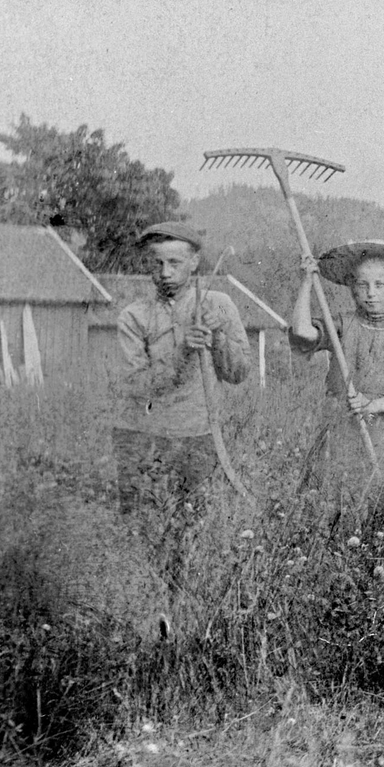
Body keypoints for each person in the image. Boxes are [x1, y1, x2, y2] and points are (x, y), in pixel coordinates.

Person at [113, 221, 251, 596]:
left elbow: (238, 373)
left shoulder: (218, 305)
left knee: (191, 531)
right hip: (142, 438)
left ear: (195, 262)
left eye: (175, 262)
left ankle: (185, 604)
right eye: (157, 263)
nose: (165, 273)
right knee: (141, 529)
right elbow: (135, 387)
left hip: (198, 437)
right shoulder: (133, 317)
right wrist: (182, 352)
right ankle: (142, 601)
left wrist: (217, 336)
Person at [290, 239, 384, 508]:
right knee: (333, 499)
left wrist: (371, 405)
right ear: (353, 288)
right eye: (363, 285)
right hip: (340, 428)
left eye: (379, 285)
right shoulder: (341, 324)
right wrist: (307, 282)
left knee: (379, 500)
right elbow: (302, 332)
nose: (371, 293)